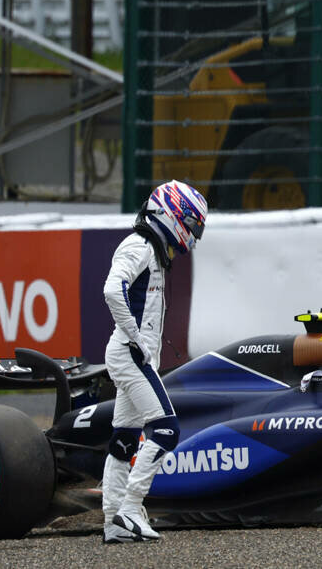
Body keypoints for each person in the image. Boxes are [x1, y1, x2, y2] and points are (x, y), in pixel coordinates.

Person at [100, 180, 208, 544]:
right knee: (166, 430)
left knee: (124, 440)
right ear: (172, 214)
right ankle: (130, 508)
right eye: (192, 226)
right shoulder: (139, 245)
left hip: (132, 354)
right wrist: (134, 339)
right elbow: (111, 290)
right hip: (130, 355)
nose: (193, 237)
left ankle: (113, 522)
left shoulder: (152, 250)